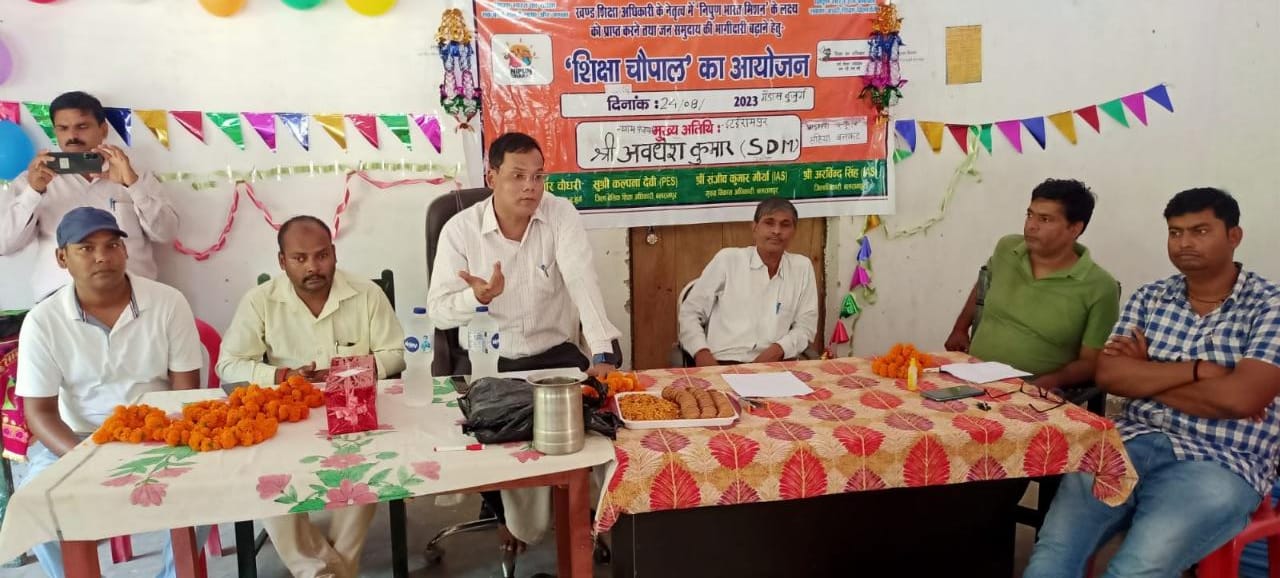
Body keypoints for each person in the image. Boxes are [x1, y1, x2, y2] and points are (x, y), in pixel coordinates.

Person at [1024, 188, 1280, 577]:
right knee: (1053, 553)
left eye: (1199, 231)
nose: (1184, 243)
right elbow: (1110, 375)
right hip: (1128, 442)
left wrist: (1145, 371)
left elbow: (1241, 399)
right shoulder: (1151, 297)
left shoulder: (1270, 306)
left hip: (1220, 461)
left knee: (1135, 569)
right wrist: (1198, 370)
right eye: (1175, 232)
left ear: (1234, 236)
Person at [426, 131, 622, 556]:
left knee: (599, 432)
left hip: (556, 356)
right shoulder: (460, 230)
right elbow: (439, 312)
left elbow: (582, 279)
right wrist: (475, 297)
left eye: (538, 176)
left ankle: (580, 517)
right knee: (509, 443)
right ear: (491, 177)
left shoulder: (559, 213)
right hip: (491, 363)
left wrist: (603, 350)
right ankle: (508, 514)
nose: (531, 187)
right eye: (518, 176)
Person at [16, 207, 202, 578]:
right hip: (79, 439)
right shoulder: (43, 321)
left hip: (159, 432)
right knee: (33, 506)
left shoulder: (168, 302)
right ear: (62, 258)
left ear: (125, 251)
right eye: (86, 248)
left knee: (209, 493)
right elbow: (39, 413)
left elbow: (185, 390)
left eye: (112, 245)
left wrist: (167, 442)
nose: (102, 256)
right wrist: (85, 456)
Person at [217, 215, 404, 578]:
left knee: (365, 466)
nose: (313, 267)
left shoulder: (366, 293)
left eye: (321, 256)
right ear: (282, 261)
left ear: (334, 253)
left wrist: (346, 372)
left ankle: (327, 572)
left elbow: (394, 353)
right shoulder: (260, 301)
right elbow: (228, 365)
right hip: (287, 418)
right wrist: (281, 376)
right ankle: (323, 571)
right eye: (299, 258)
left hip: (352, 411)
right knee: (265, 476)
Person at [0, 91, 179, 302]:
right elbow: (4, 244)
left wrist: (132, 185)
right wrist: (33, 192)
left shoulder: (136, 175)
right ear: (55, 131)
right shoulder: (32, 180)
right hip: (59, 303)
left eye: (82, 126)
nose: (72, 136)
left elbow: (166, 233)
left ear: (103, 129)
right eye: (63, 128)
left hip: (134, 298)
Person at [945, 178, 1119, 391]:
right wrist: (960, 328)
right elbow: (982, 288)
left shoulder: (1100, 287)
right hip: (972, 374)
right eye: (1029, 215)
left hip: (1030, 391)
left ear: (1074, 228)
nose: (1031, 226)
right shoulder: (1008, 248)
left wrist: (1053, 381)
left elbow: (1091, 363)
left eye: (1045, 219)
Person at [678, 198, 818, 365]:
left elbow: (806, 326)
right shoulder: (728, 260)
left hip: (777, 363)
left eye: (785, 225)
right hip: (724, 361)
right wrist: (701, 353)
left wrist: (778, 349)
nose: (777, 231)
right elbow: (690, 313)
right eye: (769, 223)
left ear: (794, 231)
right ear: (754, 228)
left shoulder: (802, 267)